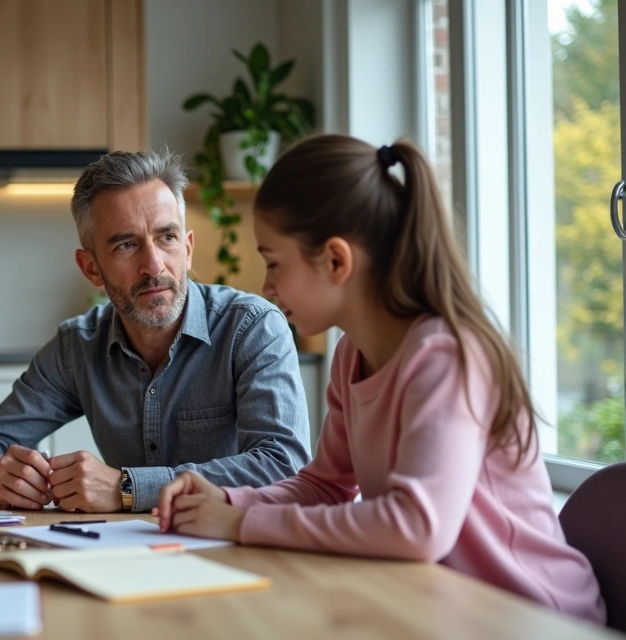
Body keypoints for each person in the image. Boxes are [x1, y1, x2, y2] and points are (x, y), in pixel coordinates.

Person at [154, 135, 605, 623]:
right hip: (445, 604)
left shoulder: (446, 357)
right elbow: (326, 486)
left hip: (532, 615)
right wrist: (226, 499)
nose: (265, 287)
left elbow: (417, 527)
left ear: (335, 260)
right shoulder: (352, 355)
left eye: (273, 263)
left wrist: (243, 522)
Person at [0, 149, 311, 513]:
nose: (153, 265)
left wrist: (127, 488)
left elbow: (284, 465)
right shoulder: (77, 347)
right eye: (126, 245)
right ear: (91, 268)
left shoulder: (251, 328)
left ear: (187, 250)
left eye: (166, 237)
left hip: (234, 548)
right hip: (122, 553)